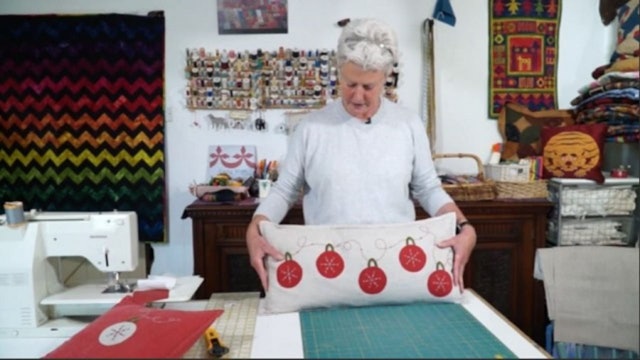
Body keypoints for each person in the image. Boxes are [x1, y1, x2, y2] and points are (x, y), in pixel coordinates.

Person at [246, 18, 476, 293]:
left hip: (396, 265)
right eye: (349, 83)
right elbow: (284, 191)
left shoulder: (407, 124)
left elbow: (427, 188)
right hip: (326, 268)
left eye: (369, 87)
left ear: (386, 78)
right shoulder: (311, 128)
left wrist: (464, 226)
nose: (357, 96)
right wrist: (256, 226)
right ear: (339, 73)